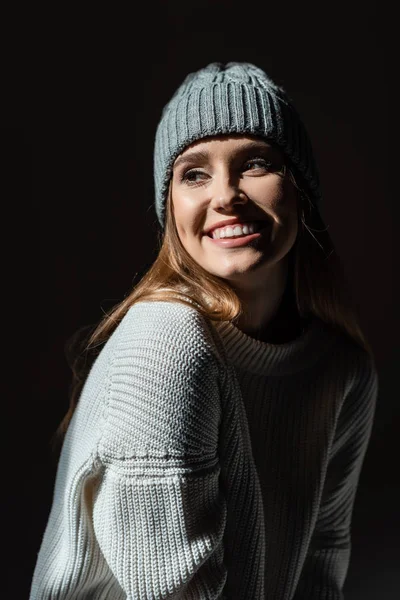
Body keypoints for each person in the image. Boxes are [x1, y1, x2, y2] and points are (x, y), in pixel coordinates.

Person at [30, 62, 379, 599]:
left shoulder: (342, 371)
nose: (225, 195)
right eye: (194, 173)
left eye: (256, 164)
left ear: (300, 188)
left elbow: (320, 560)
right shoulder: (164, 343)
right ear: (170, 206)